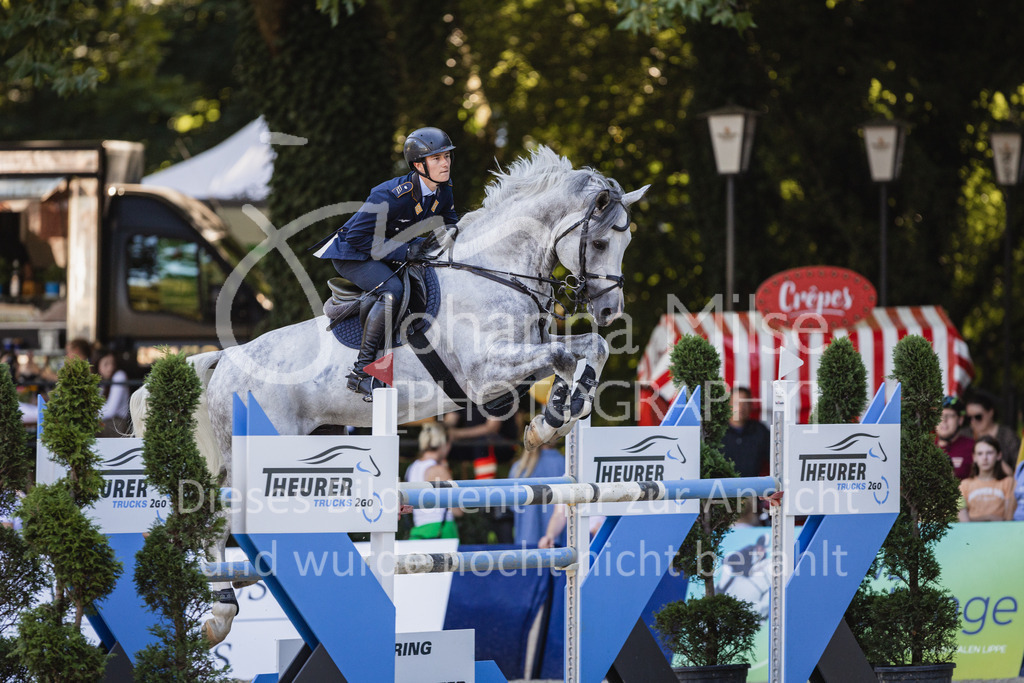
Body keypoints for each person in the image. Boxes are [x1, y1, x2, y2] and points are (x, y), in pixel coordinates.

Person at [312, 127, 458, 398]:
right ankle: (361, 372)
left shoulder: (444, 190)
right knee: (392, 290)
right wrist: (405, 251)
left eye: (447, 156)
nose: (445, 163)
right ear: (419, 165)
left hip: (384, 249)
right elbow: (357, 237)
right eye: (437, 158)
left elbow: (450, 229)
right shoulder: (390, 195)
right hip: (352, 254)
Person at [405, 421, 461, 539]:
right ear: (444, 444)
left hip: (418, 532)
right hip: (442, 531)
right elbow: (457, 510)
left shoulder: (411, 468)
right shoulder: (438, 470)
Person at [509, 441, 566, 548]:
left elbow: (513, 506)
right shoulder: (565, 464)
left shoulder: (518, 468)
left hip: (526, 537)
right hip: (557, 540)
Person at [958, 435, 1015, 522]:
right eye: (980, 454)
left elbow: (1008, 519)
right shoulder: (964, 485)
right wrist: (989, 517)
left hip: (1001, 529)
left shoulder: (1008, 482)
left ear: (999, 455)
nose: (984, 458)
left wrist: (976, 519)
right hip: (972, 530)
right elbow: (963, 521)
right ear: (974, 457)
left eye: (989, 453)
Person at [965, 391, 1019, 474]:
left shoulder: (1007, 436)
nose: (973, 421)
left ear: (990, 413)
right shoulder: (965, 434)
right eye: (969, 418)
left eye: (978, 417)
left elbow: (1019, 466)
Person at [722, 386, 770, 478]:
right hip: (721, 485)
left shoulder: (760, 430)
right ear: (728, 405)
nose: (741, 408)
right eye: (737, 403)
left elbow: (775, 457)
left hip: (753, 485)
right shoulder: (717, 432)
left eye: (745, 403)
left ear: (751, 406)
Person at [936, 396, 974, 479]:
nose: (944, 420)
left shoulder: (973, 447)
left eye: (949, 416)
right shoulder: (925, 446)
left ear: (960, 420)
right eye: (940, 415)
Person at [97, 349, 130, 437]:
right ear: (98, 364)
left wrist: (90, 416)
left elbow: (111, 410)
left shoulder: (119, 376)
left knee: (87, 429)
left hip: (118, 423)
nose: (110, 368)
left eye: (112, 363)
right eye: (106, 364)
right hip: (105, 421)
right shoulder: (102, 381)